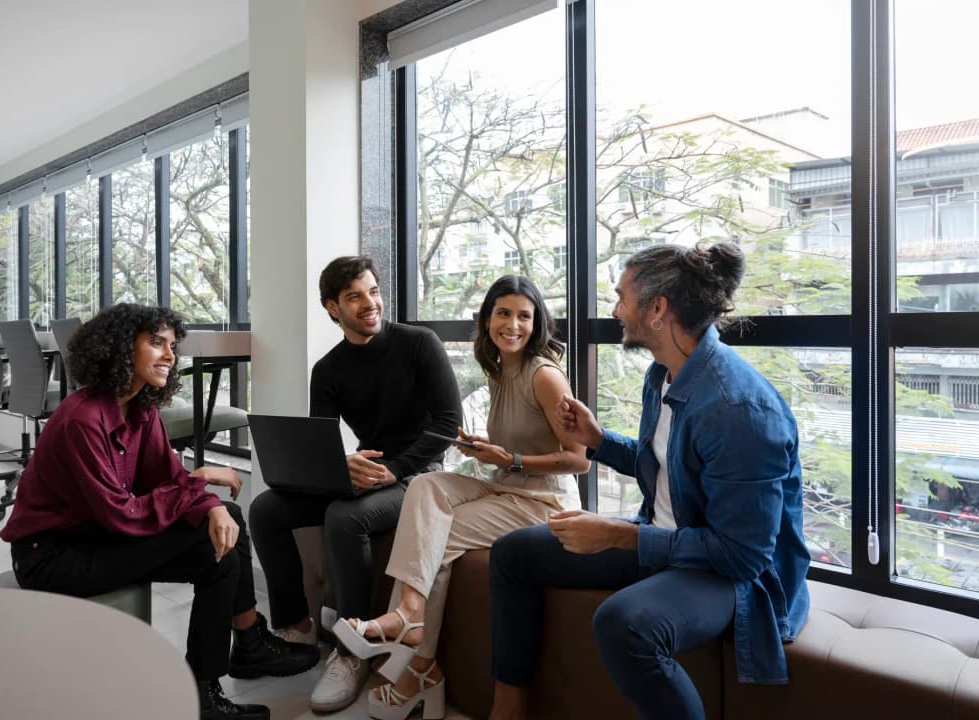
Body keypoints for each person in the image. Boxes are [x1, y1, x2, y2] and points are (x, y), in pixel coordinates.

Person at [487, 243, 811, 720]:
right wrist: (598, 441)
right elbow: (664, 466)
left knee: (624, 624)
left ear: (657, 309)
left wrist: (621, 536)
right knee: (513, 553)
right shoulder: (663, 374)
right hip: (666, 540)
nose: (615, 310)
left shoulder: (738, 409)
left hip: (734, 579)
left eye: (622, 297)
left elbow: (743, 556)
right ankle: (507, 711)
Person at [0, 304, 318, 720]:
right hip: (51, 556)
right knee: (214, 539)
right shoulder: (82, 418)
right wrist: (202, 481)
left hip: (95, 537)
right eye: (156, 343)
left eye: (171, 345)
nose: (169, 354)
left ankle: (224, 667)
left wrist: (208, 502)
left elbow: (166, 478)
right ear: (119, 348)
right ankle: (233, 659)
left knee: (223, 532)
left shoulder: (140, 410)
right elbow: (121, 513)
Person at [333, 274, 591, 720]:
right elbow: (517, 446)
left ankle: (418, 665)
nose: (513, 325)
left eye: (524, 316)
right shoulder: (500, 370)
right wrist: (488, 450)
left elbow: (579, 460)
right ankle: (410, 616)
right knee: (426, 485)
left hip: (543, 502)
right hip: (506, 483)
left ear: (537, 324)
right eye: (503, 313)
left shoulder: (545, 376)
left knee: (437, 537)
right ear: (487, 318)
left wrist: (510, 459)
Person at [247, 256, 462, 713]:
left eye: (373, 292)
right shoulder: (328, 370)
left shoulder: (419, 344)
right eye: (354, 297)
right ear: (333, 308)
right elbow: (322, 442)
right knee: (266, 510)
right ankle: (296, 626)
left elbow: (448, 423)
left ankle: (352, 650)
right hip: (369, 470)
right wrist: (341, 465)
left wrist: (396, 468)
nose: (370, 304)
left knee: (344, 517)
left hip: (421, 475)